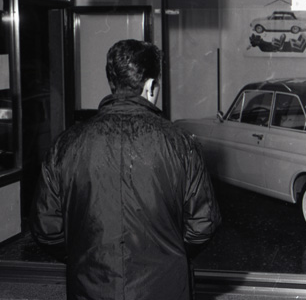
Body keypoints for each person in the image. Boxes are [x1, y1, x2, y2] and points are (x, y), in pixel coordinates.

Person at [30, 39, 221, 300]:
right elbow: (202, 224)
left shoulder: (65, 144)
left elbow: (46, 228)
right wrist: (168, 255)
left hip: (91, 287)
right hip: (163, 288)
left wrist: (87, 255)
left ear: (113, 82)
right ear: (150, 87)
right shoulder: (181, 143)